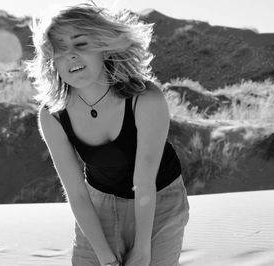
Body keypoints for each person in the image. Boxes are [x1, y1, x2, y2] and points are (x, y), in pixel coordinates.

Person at [26, 2, 190, 266]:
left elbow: (144, 182)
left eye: (81, 44)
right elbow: (77, 193)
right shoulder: (52, 115)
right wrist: (104, 255)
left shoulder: (145, 99)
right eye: (59, 49)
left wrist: (143, 248)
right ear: (51, 60)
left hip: (159, 200)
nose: (71, 56)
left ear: (104, 47)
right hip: (99, 202)